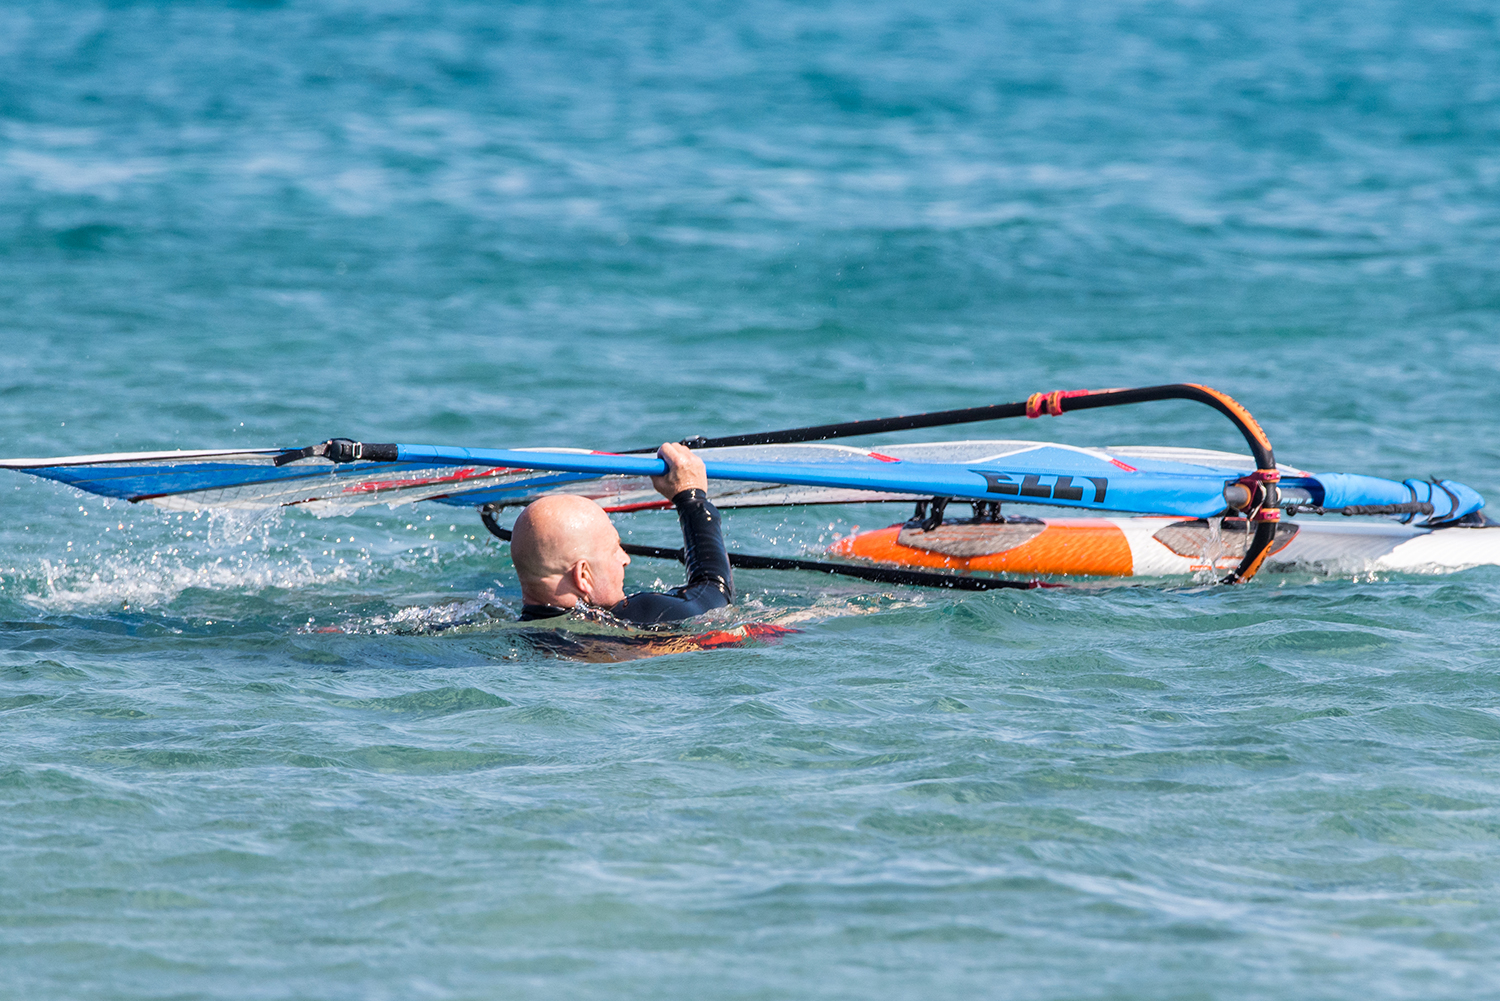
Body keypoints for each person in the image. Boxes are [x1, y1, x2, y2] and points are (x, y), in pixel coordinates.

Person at [510, 442, 732, 624]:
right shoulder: (641, 616)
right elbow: (714, 593)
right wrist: (691, 498)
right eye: (614, 549)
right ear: (583, 576)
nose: (625, 559)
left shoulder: (516, 632)